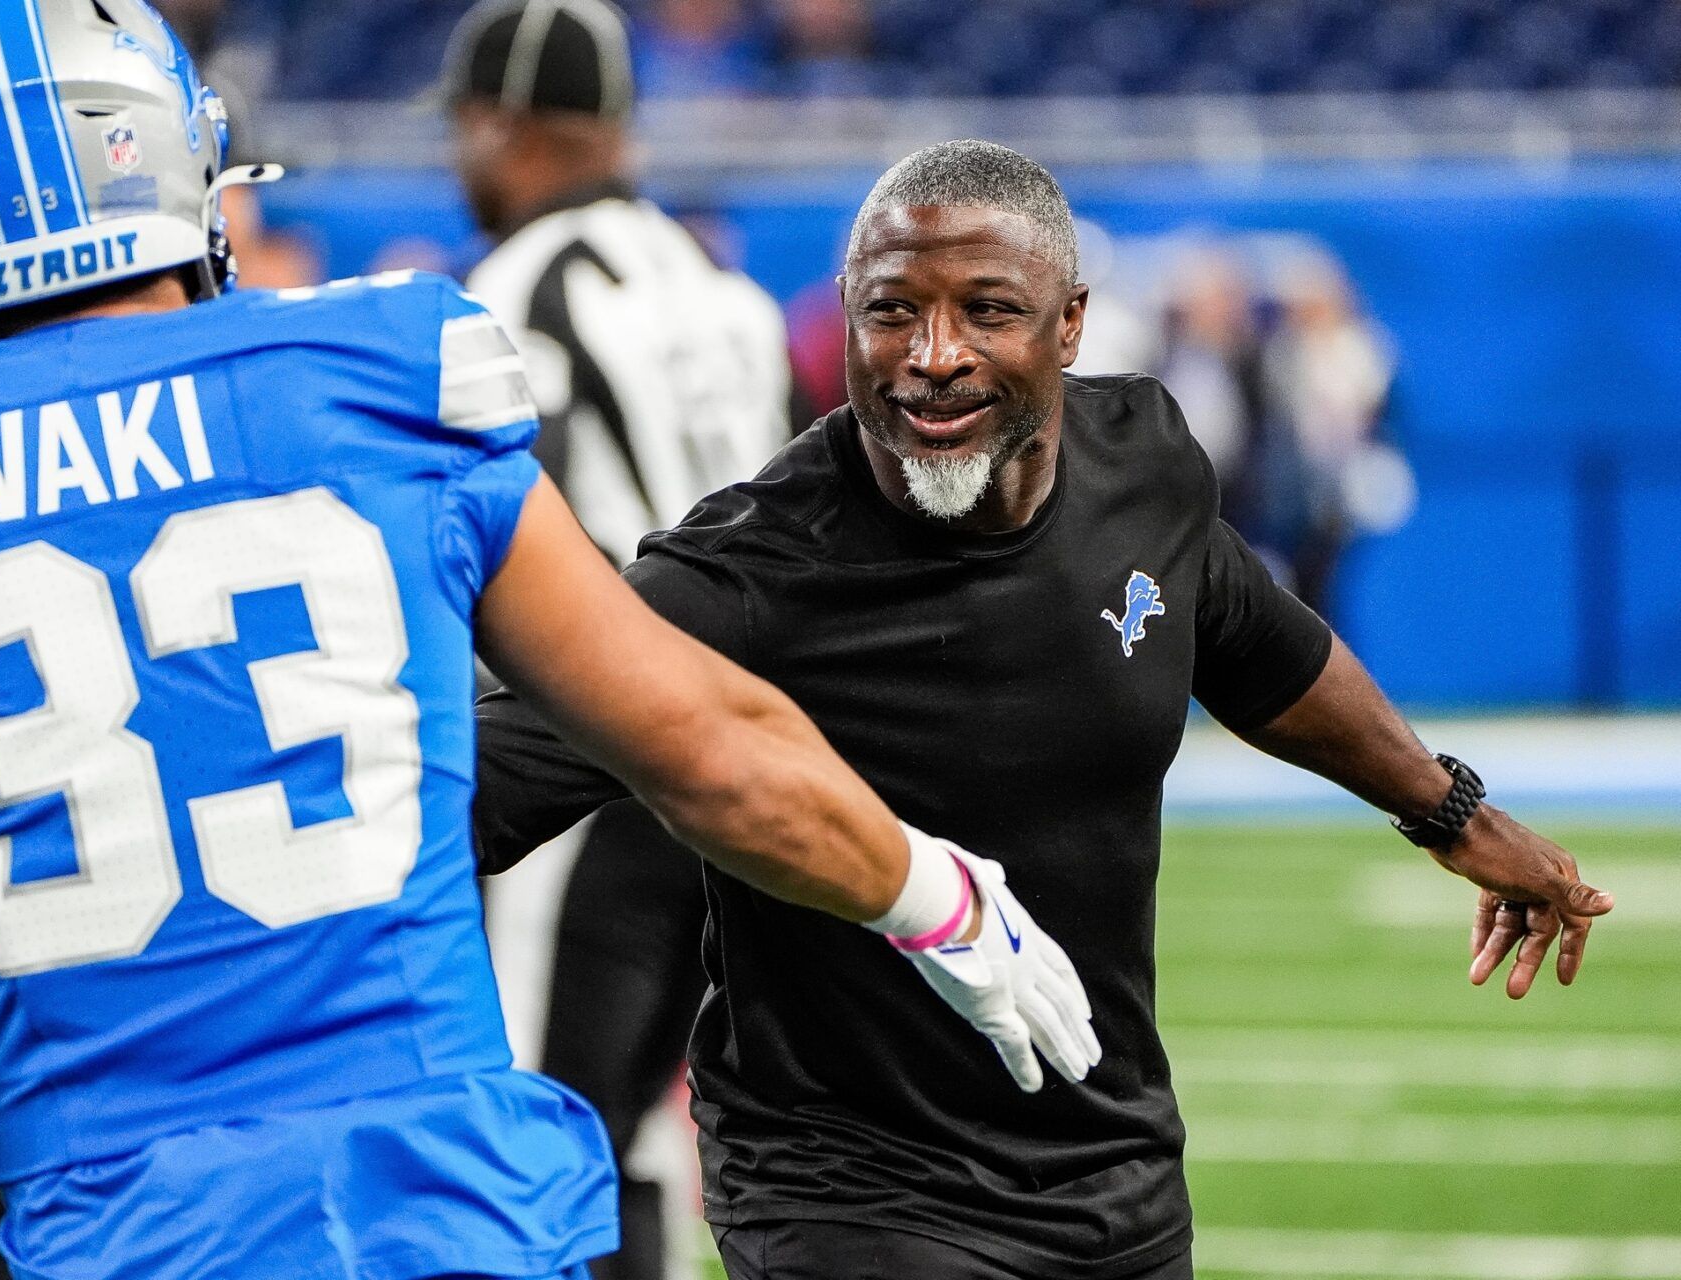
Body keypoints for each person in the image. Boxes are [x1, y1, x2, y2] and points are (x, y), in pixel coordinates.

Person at [0, 9, 1098, 1278]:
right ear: (175, 154)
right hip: (440, 1217)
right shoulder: (377, 368)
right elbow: (707, 744)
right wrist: (936, 898)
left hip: (121, 1231)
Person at [469, 140, 1616, 1280]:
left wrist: (1453, 811)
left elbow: (1258, 642)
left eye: (986, 310)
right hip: (849, 1195)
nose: (933, 356)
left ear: (1069, 325)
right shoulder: (749, 572)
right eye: (892, 312)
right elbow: (484, 777)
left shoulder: (1146, 462)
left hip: (1115, 1169)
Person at [443, 7, 793, 1279]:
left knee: (531, 1139)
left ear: (498, 124)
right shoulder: (722, 286)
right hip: (741, 758)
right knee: (641, 1133)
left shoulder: (509, 293)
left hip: (588, 764)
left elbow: (483, 546)